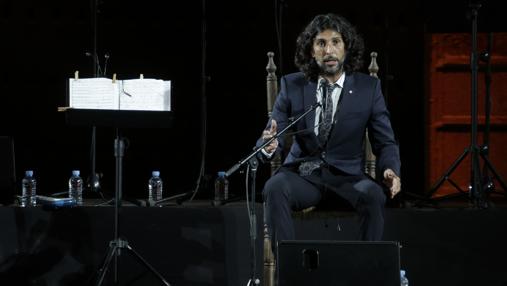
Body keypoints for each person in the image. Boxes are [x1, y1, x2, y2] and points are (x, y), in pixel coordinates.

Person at [258, 13, 401, 247]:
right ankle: (290, 274)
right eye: (321, 43)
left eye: (336, 42)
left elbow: (385, 141)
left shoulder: (368, 88)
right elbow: (274, 130)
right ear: (311, 50)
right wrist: (268, 146)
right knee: (274, 187)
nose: (329, 51)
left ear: (346, 47)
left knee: (374, 195)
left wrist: (390, 170)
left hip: (348, 179)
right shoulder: (292, 85)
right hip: (304, 177)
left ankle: (365, 271)